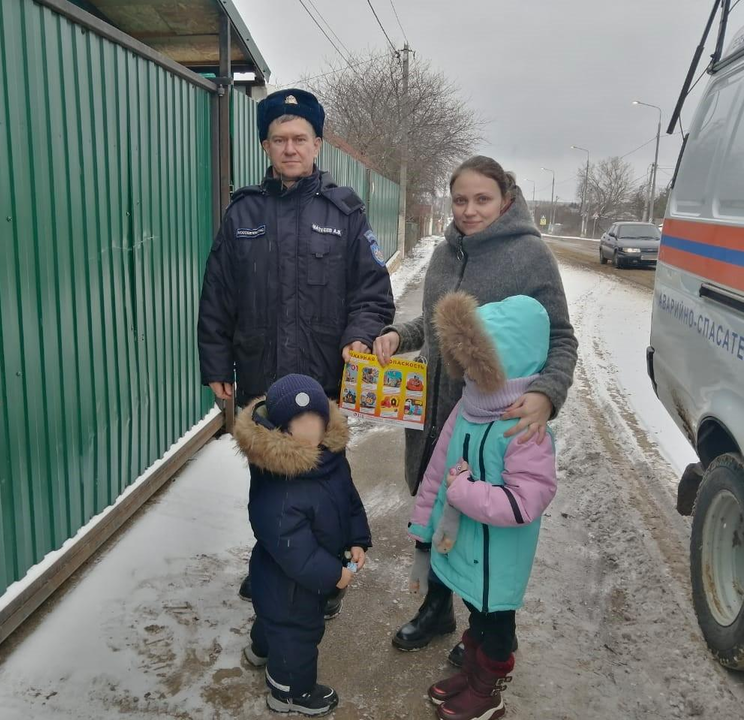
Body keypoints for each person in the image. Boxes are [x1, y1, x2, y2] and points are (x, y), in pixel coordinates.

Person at [198, 88, 394, 616]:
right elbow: (218, 292)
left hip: (322, 377)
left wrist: (359, 332)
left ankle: (324, 571)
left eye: (300, 138)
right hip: (262, 371)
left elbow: (372, 292)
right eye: (279, 139)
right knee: (268, 476)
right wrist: (216, 362)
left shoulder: (344, 211)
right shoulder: (243, 213)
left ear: (317, 144)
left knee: (324, 478)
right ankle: (271, 561)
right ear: (265, 145)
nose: (290, 148)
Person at [374, 157, 577, 664]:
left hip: (491, 423)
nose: (469, 210)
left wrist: (548, 392)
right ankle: (437, 609)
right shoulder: (446, 252)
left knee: (480, 530)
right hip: (436, 414)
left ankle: (487, 634)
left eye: (481, 199)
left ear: (505, 199)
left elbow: (562, 337)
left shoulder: (530, 256)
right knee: (435, 512)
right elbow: (435, 322)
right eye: (460, 200)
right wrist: (402, 334)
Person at [411, 291, 557, 720]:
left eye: (475, 368)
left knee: (495, 626)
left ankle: (488, 691)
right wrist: (423, 526)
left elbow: (525, 502)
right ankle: (473, 675)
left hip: (498, 561)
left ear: (500, 365)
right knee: (475, 617)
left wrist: (465, 493)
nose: (466, 377)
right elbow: (438, 471)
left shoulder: (524, 429)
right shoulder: (469, 408)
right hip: (466, 549)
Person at [233, 374, 372, 716]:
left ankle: (260, 649)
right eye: (300, 423)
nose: (311, 430)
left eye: (317, 419)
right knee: (297, 631)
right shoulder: (277, 486)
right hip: (288, 581)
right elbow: (293, 549)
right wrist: (332, 575)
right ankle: (289, 692)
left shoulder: (331, 458)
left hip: (308, 573)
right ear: (281, 430)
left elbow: (349, 501)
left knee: (274, 620)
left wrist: (357, 539)